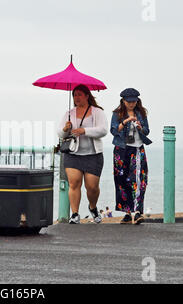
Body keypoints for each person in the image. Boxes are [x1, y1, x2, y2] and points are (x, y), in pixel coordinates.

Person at [57, 84, 108, 224]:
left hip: (93, 155)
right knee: (74, 183)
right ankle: (75, 214)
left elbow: (103, 130)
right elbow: (60, 133)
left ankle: (93, 207)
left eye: (80, 94)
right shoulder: (69, 113)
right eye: (75, 95)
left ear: (87, 96)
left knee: (92, 187)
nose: (76, 97)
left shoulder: (97, 112)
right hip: (73, 154)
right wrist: (65, 129)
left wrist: (85, 131)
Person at [110, 88, 152, 225]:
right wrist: (126, 121)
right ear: (123, 101)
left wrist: (140, 127)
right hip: (121, 150)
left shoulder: (141, 113)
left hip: (137, 149)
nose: (132, 104)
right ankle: (127, 213)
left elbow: (147, 130)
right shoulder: (117, 114)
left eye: (134, 101)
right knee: (121, 180)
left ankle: (138, 211)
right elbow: (113, 130)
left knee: (139, 179)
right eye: (129, 101)